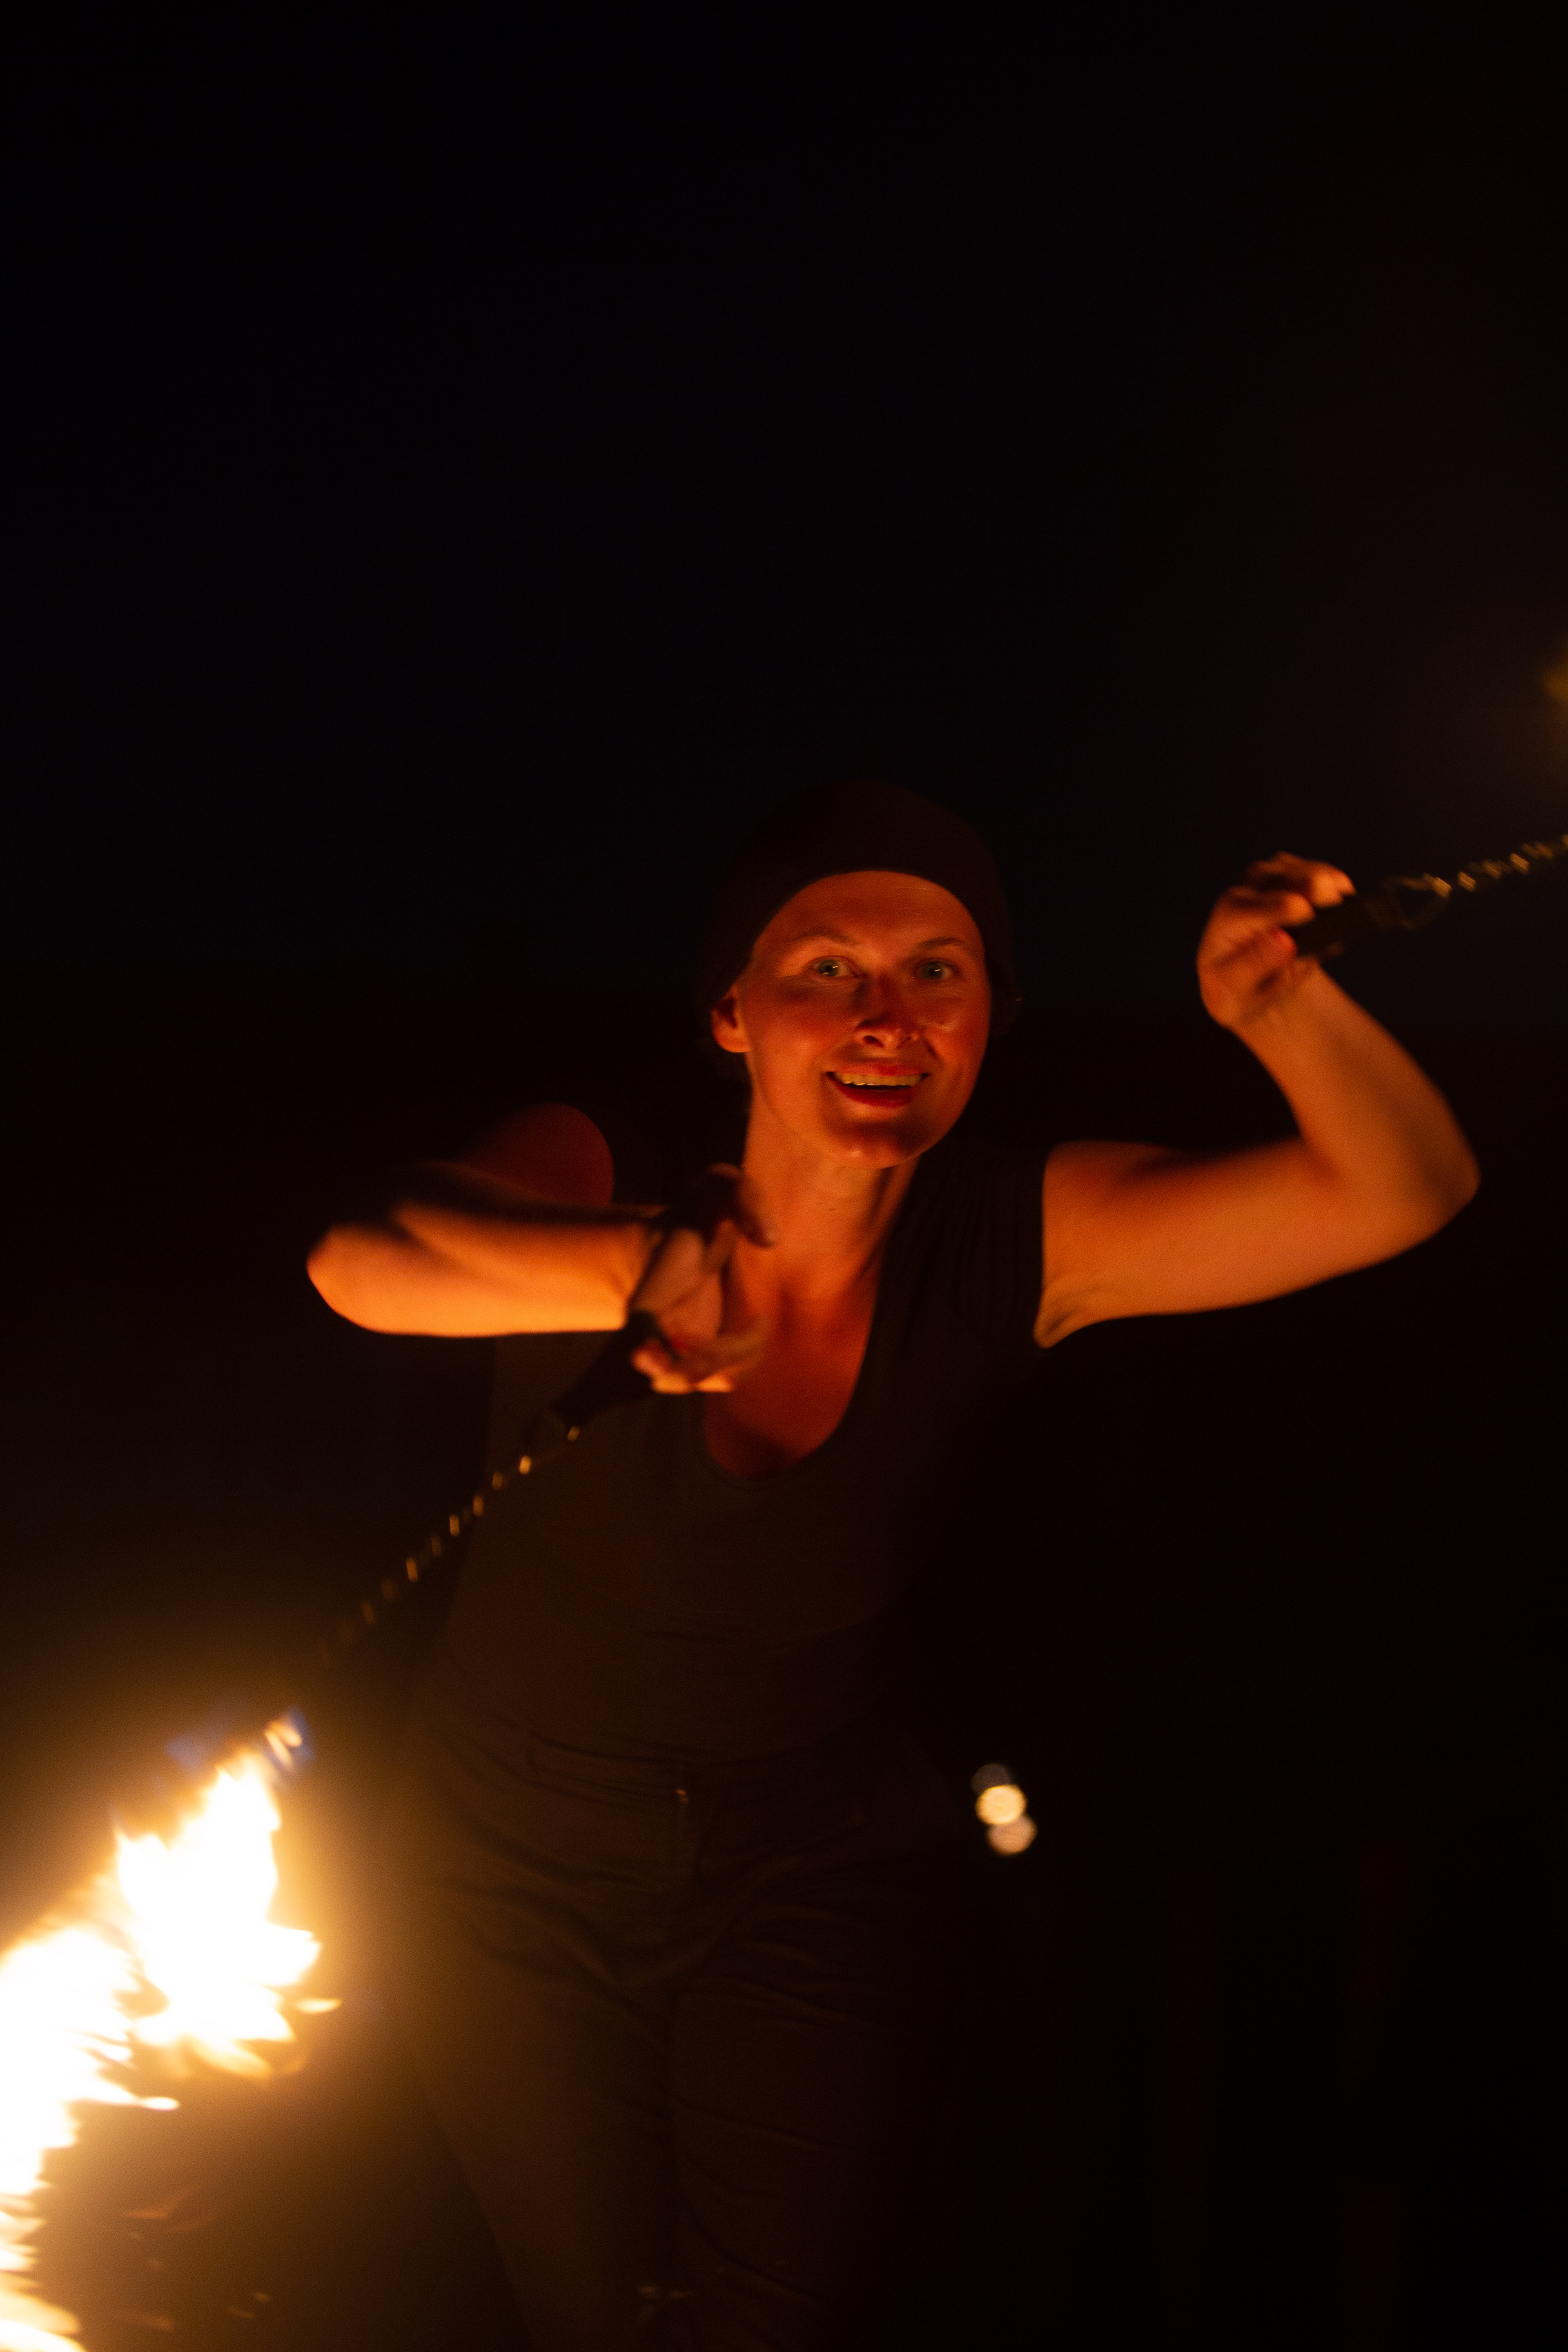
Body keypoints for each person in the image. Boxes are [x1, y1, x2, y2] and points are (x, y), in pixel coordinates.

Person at [307, 782, 1477, 2350]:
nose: (887, 1013)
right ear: (732, 1014)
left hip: (815, 1864)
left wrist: (1280, 1005)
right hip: (501, 1874)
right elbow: (366, 1258)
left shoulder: (1021, 1236)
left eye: (939, 971)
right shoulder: (601, 1158)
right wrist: (637, 1265)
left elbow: (1406, 1188)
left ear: (990, 1021)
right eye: (827, 970)